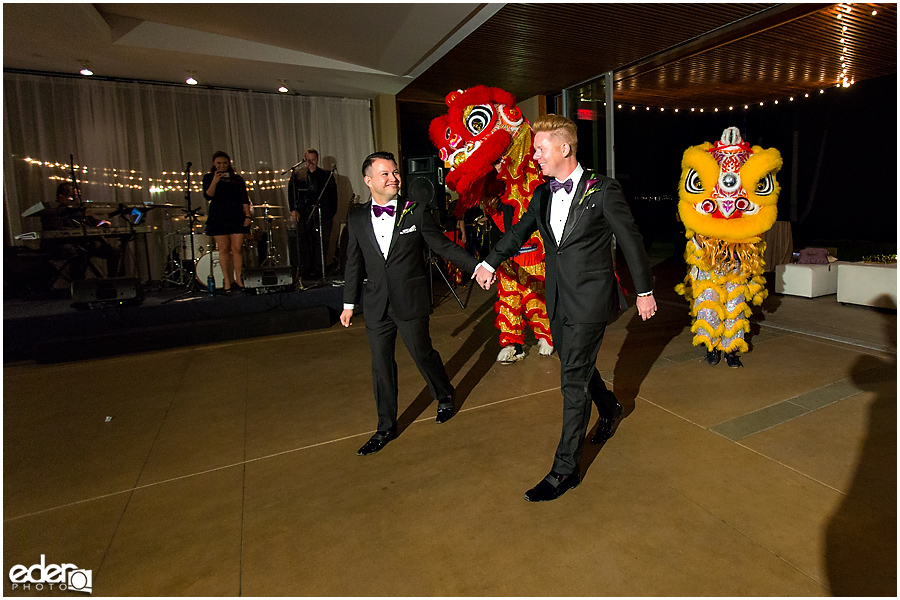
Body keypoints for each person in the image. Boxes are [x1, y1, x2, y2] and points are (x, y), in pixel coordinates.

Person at [474, 115, 658, 502]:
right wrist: (489, 262)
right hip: (555, 298)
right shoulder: (541, 195)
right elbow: (519, 232)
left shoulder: (603, 190)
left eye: (540, 149)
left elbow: (631, 241)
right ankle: (609, 407)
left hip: (591, 301)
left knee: (572, 382)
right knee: (575, 364)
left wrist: (644, 291)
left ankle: (565, 470)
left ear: (564, 148)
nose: (535, 156)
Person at [341, 152, 478, 456]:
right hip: (376, 304)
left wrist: (476, 266)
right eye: (385, 175)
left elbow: (441, 244)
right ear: (369, 181)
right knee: (380, 365)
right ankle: (385, 427)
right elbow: (354, 262)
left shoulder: (415, 210)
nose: (393, 179)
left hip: (410, 300)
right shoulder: (357, 217)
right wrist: (349, 303)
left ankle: (443, 394)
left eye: (395, 173)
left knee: (422, 353)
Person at [203, 151, 251, 293]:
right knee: (223, 249)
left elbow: (244, 198)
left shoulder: (237, 179)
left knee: (237, 248)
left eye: (225, 163)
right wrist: (215, 181)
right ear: (214, 164)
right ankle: (227, 280)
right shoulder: (208, 177)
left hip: (236, 214)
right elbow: (208, 195)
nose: (222, 166)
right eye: (219, 163)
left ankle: (239, 278)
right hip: (219, 215)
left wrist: (247, 216)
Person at [288, 148, 338, 278]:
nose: (311, 162)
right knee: (304, 241)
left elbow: (333, 196)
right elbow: (291, 193)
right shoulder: (298, 175)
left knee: (321, 241)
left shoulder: (326, 175)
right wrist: (293, 209)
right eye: (308, 160)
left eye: (313, 159)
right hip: (304, 212)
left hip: (322, 212)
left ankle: (318, 269)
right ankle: (305, 270)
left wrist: (331, 213)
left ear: (317, 160)